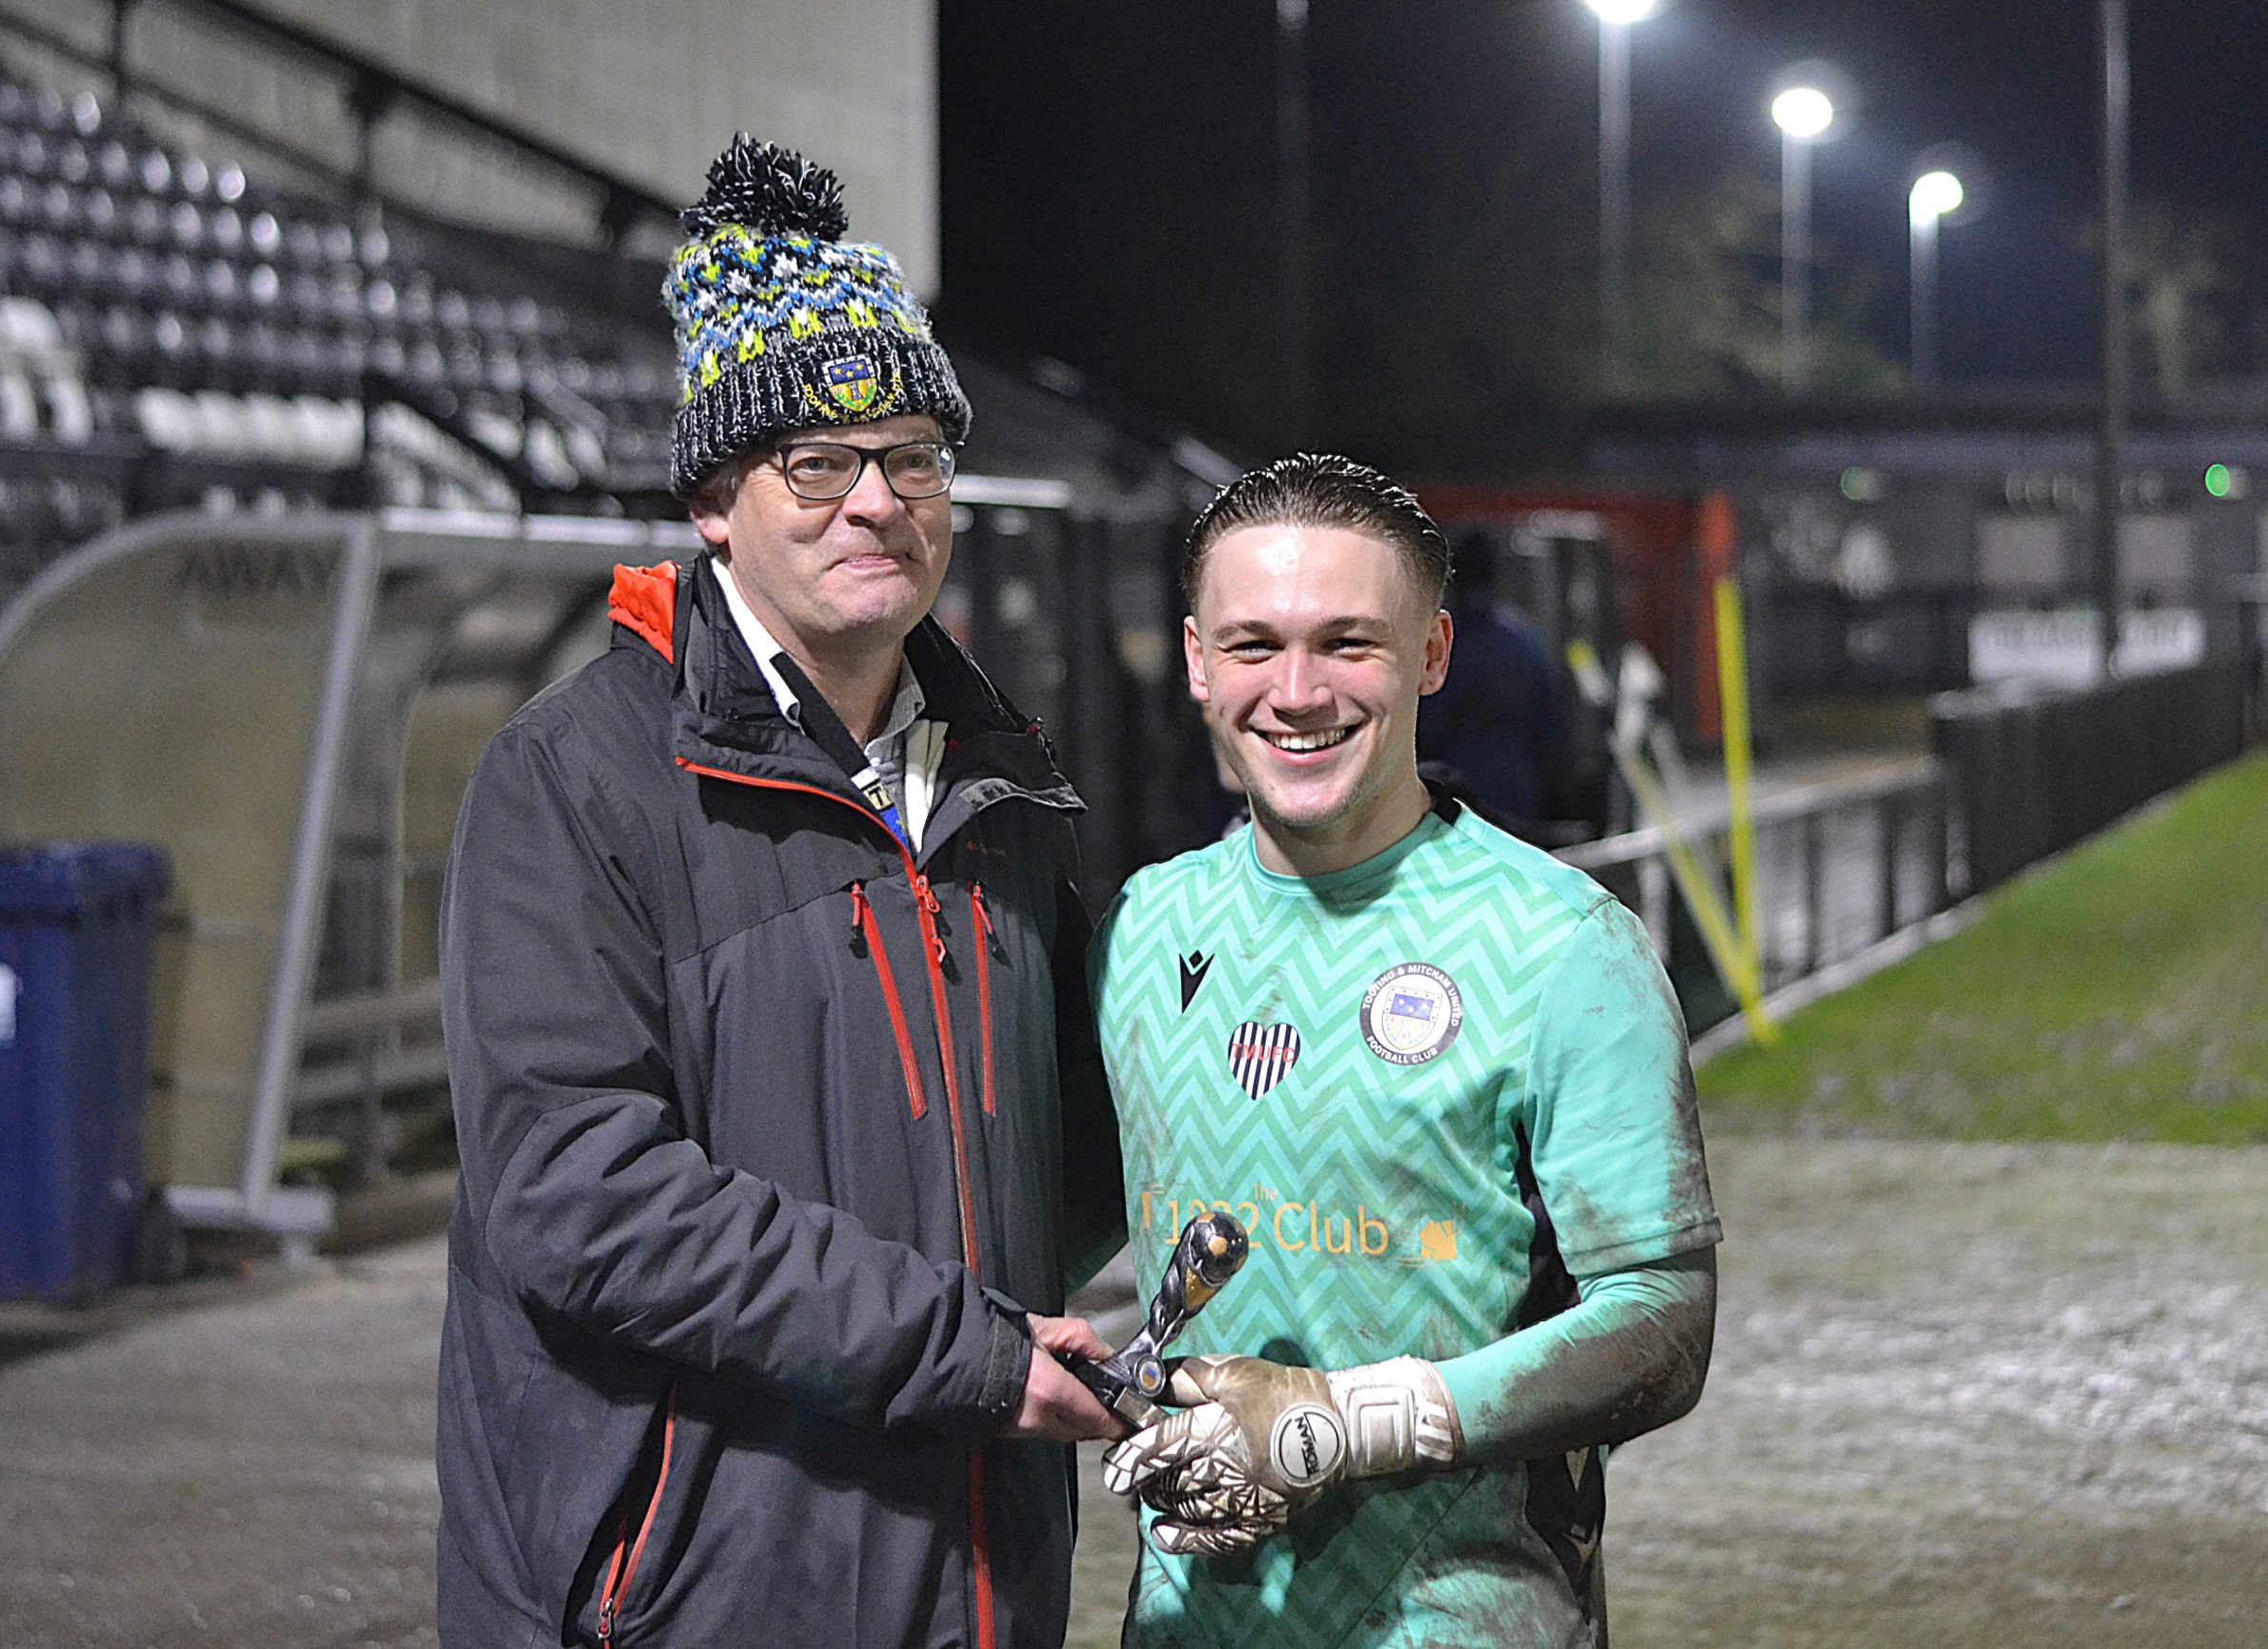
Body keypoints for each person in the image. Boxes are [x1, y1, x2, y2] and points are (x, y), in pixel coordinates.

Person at [434, 135, 1126, 1649]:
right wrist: (969, 1355)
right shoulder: (575, 778)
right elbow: (579, 1196)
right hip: (693, 1596)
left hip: (979, 1581)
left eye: (914, 457)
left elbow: (1077, 1171)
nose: (877, 501)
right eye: (818, 461)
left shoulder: (1002, 785)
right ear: (714, 500)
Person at [1092, 454, 1719, 1648]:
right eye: (1252, 645)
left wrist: (1339, 1424)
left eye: (1347, 643)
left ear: (1431, 654)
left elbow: (1661, 1328)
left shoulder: (1564, 947)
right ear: (1195, 661)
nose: (1296, 691)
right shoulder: (1141, 928)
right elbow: (1045, 1238)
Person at [1413, 524, 1577, 834]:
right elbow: (1549, 727)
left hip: (1451, 788)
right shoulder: (1521, 641)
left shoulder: (1441, 645)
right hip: (1517, 790)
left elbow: (1426, 723)